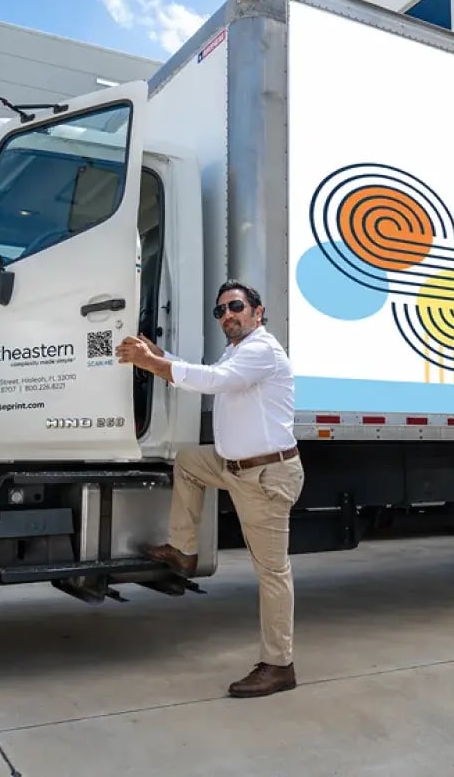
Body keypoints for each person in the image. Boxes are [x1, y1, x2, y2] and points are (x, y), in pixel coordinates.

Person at [115, 280, 304, 698]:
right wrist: (163, 357)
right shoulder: (238, 350)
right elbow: (213, 373)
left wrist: (152, 365)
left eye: (235, 307)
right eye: (220, 311)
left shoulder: (262, 349)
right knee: (189, 462)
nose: (227, 316)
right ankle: (183, 549)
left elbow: (216, 381)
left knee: (272, 573)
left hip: (265, 476)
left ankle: (279, 665)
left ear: (257, 311)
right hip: (233, 466)